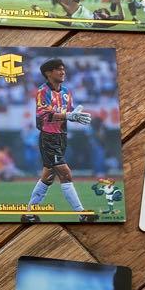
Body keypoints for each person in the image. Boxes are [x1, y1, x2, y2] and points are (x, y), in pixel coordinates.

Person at [22, 59, 93, 221]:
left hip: (62, 137)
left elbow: (69, 112)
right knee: (66, 174)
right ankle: (82, 214)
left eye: (63, 69)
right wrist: (68, 116)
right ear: (48, 73)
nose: (63, 72)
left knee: (47, 177)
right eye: (59, 69)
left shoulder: (66, 91)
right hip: (48, 138)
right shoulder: (43, 91)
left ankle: (29, 214)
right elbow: (44, 115)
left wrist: (76, 115)